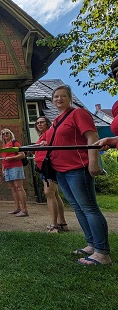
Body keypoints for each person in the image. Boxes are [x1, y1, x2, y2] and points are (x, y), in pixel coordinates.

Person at [46, 84, 111, 266]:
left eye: (62, 96)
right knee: (78, 207)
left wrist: (93, 162)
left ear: (70, 98)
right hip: (61, 170)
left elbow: (92, 137)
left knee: (89, 208)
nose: (58, 99)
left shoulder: (78, 114)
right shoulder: (57, 120)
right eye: (55, 96)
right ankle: (92, 244)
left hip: (77, 167)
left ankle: (102, 253)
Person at [33, 117, 68, 233]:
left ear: (47, 123)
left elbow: (56, 141)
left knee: (49, 193)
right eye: (37, 123)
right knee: (55, 194)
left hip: (49, 166)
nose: (39, 124)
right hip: (44, 167)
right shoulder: (43, 135)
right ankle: (62, 223)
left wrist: (46, 143)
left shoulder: (50, 132)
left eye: (42, 122)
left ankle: (54, 225)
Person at [0, 128, 28, 217]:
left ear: (10, 134)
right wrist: (3, 169)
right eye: (3, 134)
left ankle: (24, 210)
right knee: (12, 189)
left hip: (15, 167)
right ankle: (17, 208)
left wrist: (11, 158)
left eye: (7, 133)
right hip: (7, 168)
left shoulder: (14, 143)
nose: (5, 135)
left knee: (19, 187)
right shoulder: (3, 146)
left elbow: (22, 154)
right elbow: (3, 159)